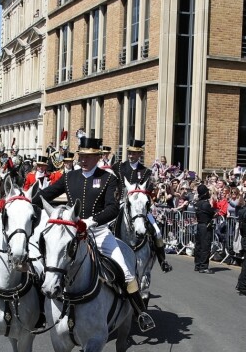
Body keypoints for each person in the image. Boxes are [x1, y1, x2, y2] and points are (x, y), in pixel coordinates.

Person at [33, 136, 155, 332]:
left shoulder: (109, 179)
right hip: (71, 234)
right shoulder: (69, 177)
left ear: (98, 157)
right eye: (81, 155)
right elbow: (44, 196)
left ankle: (140, 313)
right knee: (45, 266)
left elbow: (113, 208)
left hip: (98, 233)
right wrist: (24, 200)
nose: (82, 159)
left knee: (126, 270)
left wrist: (91, 221)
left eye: (88, 156)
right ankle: (40, 313)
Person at [115, 139, 171, 273]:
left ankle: (162, 261)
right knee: (109, 225)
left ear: (139, 154)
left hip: (140, 207)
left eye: (134, 153)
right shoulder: (120, 167)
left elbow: (150, 188)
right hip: (123, 204)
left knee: (157, 231)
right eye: (129, 153)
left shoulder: (145, 171)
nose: (130, 155)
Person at [194, 184, 216, 273]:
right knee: (205, 246)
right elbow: (212, 213)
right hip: (205, 226)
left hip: (199, 225)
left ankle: (198, 264)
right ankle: (203, 266)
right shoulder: (205, 204)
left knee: (199, 246)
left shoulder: (198, 203)